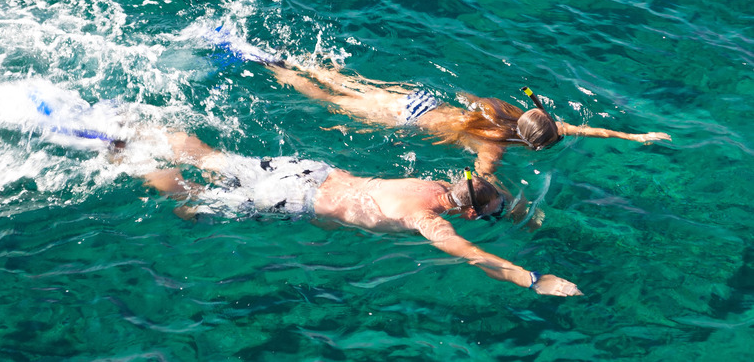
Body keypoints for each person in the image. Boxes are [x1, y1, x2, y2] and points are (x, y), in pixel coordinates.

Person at [140, 132, 583, 297]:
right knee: (195, 201)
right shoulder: (429, 221)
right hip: (297, 199)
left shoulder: (435, 184)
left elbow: (479, 180)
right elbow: (474, 256)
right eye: (487, 214)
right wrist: (531, 279)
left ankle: (155, 133)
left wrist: (506, 204)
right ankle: (142, 168)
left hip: (313, 171)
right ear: (467, 216)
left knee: (216, 158)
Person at [233, 55, 671, 177]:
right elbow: (481, 181)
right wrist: (516, 210)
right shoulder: (494, 147)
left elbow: (583, 128)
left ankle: (296, 61)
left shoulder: (512, 113)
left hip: (420, 98)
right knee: (330, 102)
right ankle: (277, 71)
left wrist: (638, 137)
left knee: (349, 84)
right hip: (406, 119)